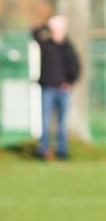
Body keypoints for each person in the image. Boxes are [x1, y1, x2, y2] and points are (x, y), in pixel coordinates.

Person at [31, 14, 79, 161]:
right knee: (45, 121)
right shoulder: (46, 44)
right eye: (55, 30)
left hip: (63, 90)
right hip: (47, 89)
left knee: (62, 123)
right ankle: (44, 151)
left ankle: (62, 151)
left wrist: (70, 82)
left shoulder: (68, 47)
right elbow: (34, 33)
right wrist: (48, 24)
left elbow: (76, 67)